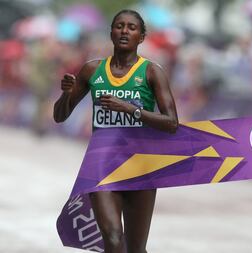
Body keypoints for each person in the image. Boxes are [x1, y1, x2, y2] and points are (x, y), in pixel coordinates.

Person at [53, 9, 178, 253]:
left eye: (131, 28)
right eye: (119, 26)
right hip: (102, 165)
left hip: (140, 165)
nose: (124, 31)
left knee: (135, 249)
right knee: (112, 240)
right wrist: (66, 94)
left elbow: (171, 123)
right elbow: (60, 116)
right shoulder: (92, 70)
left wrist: (129, 109)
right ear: (111, 32)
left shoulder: (152, 72)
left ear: (141, 37)